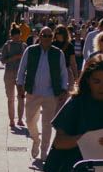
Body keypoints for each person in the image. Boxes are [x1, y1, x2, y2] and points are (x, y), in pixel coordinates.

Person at [20, 28, 72, 164]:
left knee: (47, 124)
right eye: (44, 35)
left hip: (51, 94)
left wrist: (64, 89)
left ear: (52, 37)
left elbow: (63, 72)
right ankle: (36, 139)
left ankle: (44, 151)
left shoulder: (58, 53)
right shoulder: (30, 50)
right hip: (33, 92)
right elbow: (22, 69)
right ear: (40, 36)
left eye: (49, 36)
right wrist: (20, 84)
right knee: (29, 121)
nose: (47, 38)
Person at [0, 21, 29, 131]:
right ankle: (11, 119)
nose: (17, 38)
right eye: (15, 37)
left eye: (18, 36)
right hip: (9, 73)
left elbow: (28, 61)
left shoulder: (24, 46)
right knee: (10, 98)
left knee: (21, 97)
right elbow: (3, 61)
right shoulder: (7, 46)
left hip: (21, 74)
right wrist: (14, 57)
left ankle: (20, 119)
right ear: (11, 36)